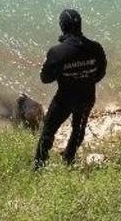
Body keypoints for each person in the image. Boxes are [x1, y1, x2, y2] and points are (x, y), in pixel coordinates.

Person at [33, 9, 107, 169]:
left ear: (62, 27)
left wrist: (60, 70)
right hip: (87, 96)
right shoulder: (96, 48)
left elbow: (45, 78)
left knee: (48, 131)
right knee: (78, 129)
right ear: (80, 25)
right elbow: (100, 73)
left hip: (64, 100)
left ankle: (39, 164)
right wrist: (84, 77)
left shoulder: (57, 52)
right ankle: (69, 157)